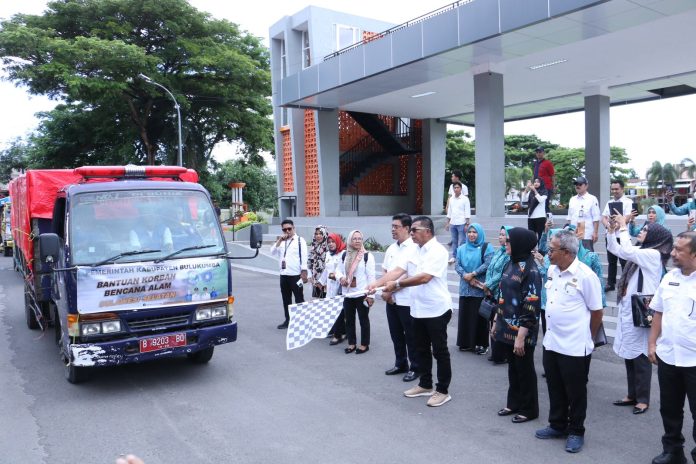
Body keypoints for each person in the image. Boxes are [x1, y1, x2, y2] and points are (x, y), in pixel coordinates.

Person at [368, 216, 453, 407]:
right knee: (420, 348)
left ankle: (442, 390)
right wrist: (375, 284)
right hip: (418, 309)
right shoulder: (415, 250)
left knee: (439, 351)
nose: (411, 233)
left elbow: (424, 278)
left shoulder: (438, 251)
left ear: (428, 232)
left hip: (436, 309)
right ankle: (425, 384)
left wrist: (396, 284)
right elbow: (398, 270)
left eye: (415, 230)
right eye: (411, 230)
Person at [535, 229, 603, 454]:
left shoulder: (585, 275)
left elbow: (596, 312)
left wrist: (589, 338)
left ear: (566, 251)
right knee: (554, 386)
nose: (547, 253)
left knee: (575, 391)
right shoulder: (553, 271)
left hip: (575, 345)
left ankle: (576, 431)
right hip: (552, 341)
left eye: (551, 250)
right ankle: (557, 424)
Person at [607, 215, 673, 418]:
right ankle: (632, 394)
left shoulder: (653, 254)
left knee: (642, 356)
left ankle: (643, 399)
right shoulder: (642, 253)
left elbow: (626, 250)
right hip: (631, 309)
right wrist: (611, 231)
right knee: (630, 354)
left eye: (645, 230)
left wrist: (624, 226)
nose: (641, 232)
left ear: (654, 236)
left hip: (642, 311)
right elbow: (617, 250)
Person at [648, 231, 696, 464]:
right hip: (668, 356)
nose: (672, 253)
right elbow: (658, 311)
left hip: (694, 361)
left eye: (679, 250)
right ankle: (673, 451)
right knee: (669, 408)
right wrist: (651, 343)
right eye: (674, 248)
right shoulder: (669, 278)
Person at [493, 227, 542, 424]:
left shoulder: (530, 271)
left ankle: (529, 409)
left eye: (510, 241)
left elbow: (531, 306)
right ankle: (513, 403)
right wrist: (497, 322)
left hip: (522, 331)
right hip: (506, 327)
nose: (506, 243)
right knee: (513, 368)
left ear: (520, 244)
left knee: (525, 370)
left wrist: (521, 337)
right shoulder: (510, 264)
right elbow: (502, 296)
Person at [381, 213, 419, 382]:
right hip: (391, 300)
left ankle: (415, 367)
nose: (393, 230)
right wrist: (384, 290)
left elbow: (407, 274)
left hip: (407, 300)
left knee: (411, 335)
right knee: (396, 334)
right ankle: (400, 362)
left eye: (396, 227)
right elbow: (386, 271)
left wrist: (392, 289)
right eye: (392, 227)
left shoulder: (413, 248)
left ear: (406, 228)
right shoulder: (391, 248)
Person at [455, 223, 493, 354]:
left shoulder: (486, 247)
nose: (471, 235)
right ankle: (465, 342)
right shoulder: (461, 248)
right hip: (465, 288)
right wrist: (465, 275)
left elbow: (488, 264)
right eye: (469, 232)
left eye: (474, 232)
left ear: (480, 233)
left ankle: (481, 344)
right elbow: (457, 265)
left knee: (480, 317)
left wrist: (473, 274)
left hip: (479, 287)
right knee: (465, 316)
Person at [336, 230, 375, 354]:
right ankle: (351, 343)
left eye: (359, 238)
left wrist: (371, 295)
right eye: (354, 238)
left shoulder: (366, 256)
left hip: (362, 293)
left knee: (363, 319)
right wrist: (341, 278)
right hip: (347, 293)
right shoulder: (344, 255)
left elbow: (371, 277)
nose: (357, 241)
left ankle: (364, 344)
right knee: (349, 319)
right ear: (349, 240)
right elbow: (337, 270)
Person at [270, 219, 308, 329]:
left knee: (299, 299)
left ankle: (301, 321)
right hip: (284, 275)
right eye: (284, 229)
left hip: (296, 275)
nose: (287, 231)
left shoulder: (300, 240)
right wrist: (280, 241)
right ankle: (288, 320)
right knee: (286, 299)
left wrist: (304, 272)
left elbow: (304, 257)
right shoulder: (282, 241)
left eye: (289, 229)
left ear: (294, 228)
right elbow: (272, 252)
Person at [483, 226, 512, 365]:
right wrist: (487, 285)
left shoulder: (508, 255)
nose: (500, 237)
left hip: (500, 291)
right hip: (492, 291)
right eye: (499, 234)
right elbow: (491, 269)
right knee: (492, 321)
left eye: (503, 235)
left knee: (500, 322)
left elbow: (501, 274)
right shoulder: (498, 252)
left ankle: (502, 354)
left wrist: (488, 285)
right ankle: (495, 352)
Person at [602, 179, 634, 292]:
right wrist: (608, 226)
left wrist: (617, 225)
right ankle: (611, 283)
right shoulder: (609, 202)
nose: (614, 191)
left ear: (622, 189)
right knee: (611, 261)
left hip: (622, 236)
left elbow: (628, 216)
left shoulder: (628, 202)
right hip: (610, 235)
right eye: (613, 189)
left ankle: (626, 283)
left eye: (617, 189)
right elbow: (604, 217)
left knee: (624, 261)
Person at [320, 233, 347, 345]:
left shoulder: (343, 254)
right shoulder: (328, 254)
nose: (331, 244)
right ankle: (341, 331)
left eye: (333, 242)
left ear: (338, 242)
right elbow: (326, 270)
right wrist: (320, 282)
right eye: (329, 242)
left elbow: (344, 270)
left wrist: (337, 276)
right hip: (330, 287)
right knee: (331, 310)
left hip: (340, 287)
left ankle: (338, 335)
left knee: (339, 311)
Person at [566, 176, 601, 251]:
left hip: (586, 234)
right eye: (576, 184)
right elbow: (569, 218)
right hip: (573, 234)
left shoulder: (592, 199)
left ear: (586, 186)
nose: (577, 186)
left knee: (587, 257)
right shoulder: (572, 199)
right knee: (573, 257)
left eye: (580, 184)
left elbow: (596, 218)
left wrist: (595, 232)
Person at [445, 181, 471, 264]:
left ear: (461, 189)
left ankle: (462, 257)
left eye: (457, 187)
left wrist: (467, 223)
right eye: (454, 188)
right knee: (454, 241)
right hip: (453, 223)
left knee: (463, 241)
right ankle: (454, 257)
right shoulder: (451, 199)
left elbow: (467, 211)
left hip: (462, 223)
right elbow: (450, 211)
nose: (456, 189)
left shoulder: (465, 199)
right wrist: (447, 223)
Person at [523, 178, 548, 242]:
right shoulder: (530, 192)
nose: (536, 183)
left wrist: (534, 190)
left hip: (540, 217)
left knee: (540, 236)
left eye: (538, 182)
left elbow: (540, 200)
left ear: (541, 183)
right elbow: (524, 200)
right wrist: (526, 188)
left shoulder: (544, 191)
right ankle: (532, 250)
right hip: (531, 217)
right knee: (531, 236)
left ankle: (540, 251)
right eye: (535, 182)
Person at [307, 225, 329, 298]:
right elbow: (309, 262)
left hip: (327, 281)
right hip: (316, 280)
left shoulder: (329, 247)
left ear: (325, 234)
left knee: (327, 303)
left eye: (320, 234)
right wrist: (310, 275)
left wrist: (323, 281)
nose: (318, 236)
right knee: (317, 302)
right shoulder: (313, 247)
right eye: (316, 234)